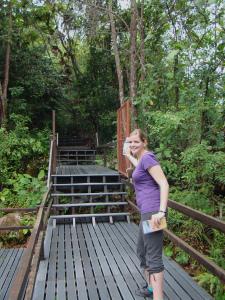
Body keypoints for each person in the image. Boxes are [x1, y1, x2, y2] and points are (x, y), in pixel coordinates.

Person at [124, 129, 169, 300]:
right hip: (146, 212)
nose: (133, 144)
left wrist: (161, 212)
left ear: (144, 142)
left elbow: (163, 183)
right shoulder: (142, 160)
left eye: (136, 141)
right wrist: (129, 156)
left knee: (153, 256)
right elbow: (140, 169)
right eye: (130, 142)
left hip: (154, 213)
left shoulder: (148, 157)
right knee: (141, 250)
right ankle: (151, 287)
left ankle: (157, 296)